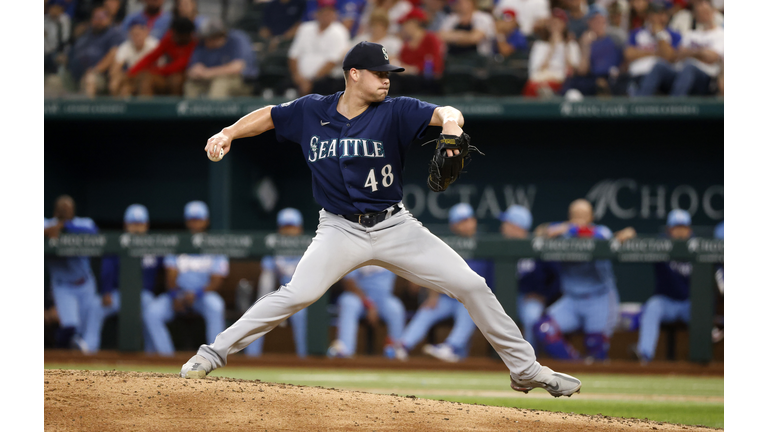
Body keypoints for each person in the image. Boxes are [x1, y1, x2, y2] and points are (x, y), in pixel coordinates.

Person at [180, 41, 582, 399]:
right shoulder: (312, 110)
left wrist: (454, 124)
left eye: (390, 74)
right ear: (354, 75)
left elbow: (445, 112)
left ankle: (526, 370)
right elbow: (269, 114)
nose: (387, 80)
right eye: (380, 73)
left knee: (472, 285)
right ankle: (211, 354)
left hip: (395, 226)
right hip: (339, 227)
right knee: (297, 294)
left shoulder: (396, 111)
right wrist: (229, 132)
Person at [397, 203, 492, 362]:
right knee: (428, 308)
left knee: (469, 308)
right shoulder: (446, 244)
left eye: (468, 219)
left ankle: (451, 347)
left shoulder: (487, 244)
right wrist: (433, 293)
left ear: (474, 221)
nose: (466, 224)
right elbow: (436, 271)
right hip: (448, 297)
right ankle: (402, 346)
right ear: (453, 225)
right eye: (461, 221)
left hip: (469, 299)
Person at [533, 199, 626, 362]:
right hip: (571, 302)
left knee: (596, 350)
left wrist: (571, 229)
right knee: (544, 328)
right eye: (575, 215)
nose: (579, 218)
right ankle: (576, 364)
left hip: (599, 299)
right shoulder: (564, 233)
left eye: (584, 215)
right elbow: (538, 233)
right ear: (569, 216)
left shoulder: (601, 232)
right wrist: (552, 230)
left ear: (592, 217)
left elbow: (602, 236)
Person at [145, 201, 228, 356]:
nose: (195, 224)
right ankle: (167, 358)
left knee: (216, 306)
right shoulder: (178, 243)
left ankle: (213, 357)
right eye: (192, 219)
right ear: (187, 221)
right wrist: (177, 295)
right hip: (178, 295)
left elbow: (217, 280)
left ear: (206, 221)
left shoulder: (215, 245)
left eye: (199, 219)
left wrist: (196, 294)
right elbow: (170, 276)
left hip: (202, 296)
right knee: (152, 312)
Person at [82, 204, 162, 353]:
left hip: (144, 296)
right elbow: (107, 270)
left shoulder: (154, 245)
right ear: (126, 225)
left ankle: (156, 354)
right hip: (119, 294)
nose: (137, 228)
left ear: (146, 225)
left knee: (152, 310)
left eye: (140, 224)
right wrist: (106, 291)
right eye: (133, 224)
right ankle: (88, 348)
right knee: (95, 305)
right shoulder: (118, 242)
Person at [243, 208, 309, 358]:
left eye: (292, 227)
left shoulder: (309, 247)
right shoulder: (273, 248)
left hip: (303, 298)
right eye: (285, 227)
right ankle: (251, 360)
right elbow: (266, 280)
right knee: (259, 310)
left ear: (299, 228)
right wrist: (264, 302)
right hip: (280, 296)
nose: (288, 231)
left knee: (302, 314)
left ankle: (305, 359)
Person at [633, 209, 694, 363]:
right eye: (676, 228)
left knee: (703, 311)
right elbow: (642, 245)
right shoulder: (660, 245)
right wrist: (632, 237)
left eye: (683, 228)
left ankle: (702, 359)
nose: (680, 232)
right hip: (666, 302)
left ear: (689, 230)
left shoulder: (698, 246)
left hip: (690, 303)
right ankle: (645, 354)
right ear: (668, 230)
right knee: (652, 307)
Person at [499, 205, 560, 354]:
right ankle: (500, 359)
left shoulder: (536, 246)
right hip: (505, 298)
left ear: (516, 227)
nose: (502, 227)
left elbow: (556, 277)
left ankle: (529, 362)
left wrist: (544, 295)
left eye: (506, 223)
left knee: (532, 317)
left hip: (529, 299)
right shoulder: (500, 245)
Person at [44, 195, 99, 353]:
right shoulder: (47, 224)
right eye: (62, 208)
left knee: (84, 329)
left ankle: (81, 362)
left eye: (68, 208)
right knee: (70, 326)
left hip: (85, 283)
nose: (65, 211)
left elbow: (94, 232)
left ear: (73, 211)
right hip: (63, 286)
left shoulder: (83, 223)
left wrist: (64, 227)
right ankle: (59, 360)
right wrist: (49, 230)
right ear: (55, 210)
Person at [635, 0, 723, 96]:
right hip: (680, 73)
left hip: (705, 78)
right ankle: (638, 105)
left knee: (689, 66)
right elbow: (676, 56)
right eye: (699, 12)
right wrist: (700, 53)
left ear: (713, 12)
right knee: (659, 66)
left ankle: (674, 107)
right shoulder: (691, 34)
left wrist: (689, 53)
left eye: (705, 12)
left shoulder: (721, 34)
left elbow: (712, 58)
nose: (702, 15)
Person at [327, 266, 407, 360]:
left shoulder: (389, 253)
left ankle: (396, 350)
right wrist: (369, 304)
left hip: (383, 299)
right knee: (348, 302)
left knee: (396, 308)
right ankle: (345, 350)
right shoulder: (357, 252)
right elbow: (348, 282)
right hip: (358, 297)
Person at [288, 0, 350, 96]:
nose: (326, 15)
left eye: (329, 12)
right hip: (300, 80)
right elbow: (293, 55)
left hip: (326, 80)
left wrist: (310, 82)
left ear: (335, 14)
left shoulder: (340, 31)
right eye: (323, 12)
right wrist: (297, 77)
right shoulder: (305, 28)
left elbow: (332, 62)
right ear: (317, 13)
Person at [184, 18, 256, 98]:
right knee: (190, 85)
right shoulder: (202, 45)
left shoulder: (236, 39)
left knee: (219, 84)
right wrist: (194, 71)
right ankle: (191, 110)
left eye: (208, 38)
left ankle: (214, 111)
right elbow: (191, 68)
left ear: (218, 37)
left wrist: (208, 73)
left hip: (240, 81)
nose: (205, 41)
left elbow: (237, 67)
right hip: (208, 79)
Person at [561, 4, 624, 97]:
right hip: (590, 79)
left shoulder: (614, 40)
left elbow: (621, 64)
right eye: (594, 20)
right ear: (588, 23)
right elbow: (582, 70)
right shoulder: (585, 41)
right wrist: (586, 46)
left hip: (610, 78)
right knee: (573, 83)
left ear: (605, 21)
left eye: (600, 20)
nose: (597, 23)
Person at [127, 16, 197, 96]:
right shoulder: (170, 37)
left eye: (176, 34)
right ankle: (145, 107)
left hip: (186, 76)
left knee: (175, 81)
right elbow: (152, 57)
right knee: (146, 78)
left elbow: (180, 65)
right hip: (166, 74)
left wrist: (155, 70)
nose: (173, 36)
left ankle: (173, 107)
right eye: (172, 32)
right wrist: (131, 72)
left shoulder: (194, 43)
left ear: (186, 35)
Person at [624, 2, 681, 96]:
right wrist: (656, 53)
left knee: (658, 67)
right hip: (638, 75)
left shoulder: (673, 34)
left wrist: (659, 33)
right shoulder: (637, 33)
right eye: (655, 14)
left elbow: (668, 56)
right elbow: (629, 54)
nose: (658, 18)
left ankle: (639, 106)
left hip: (664, 79)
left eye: (662, 14)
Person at [67, 6, 125, 97]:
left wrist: (95, 70)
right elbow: (74, 51)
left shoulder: (114, 34)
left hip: (101, 76)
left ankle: (87, 110)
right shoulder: (86, 34)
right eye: (95, 17)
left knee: (90, 80)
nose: (97, 21)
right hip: (76, 75)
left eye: (101, 18)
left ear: (109, 19)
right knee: (52, 82)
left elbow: (114, 53)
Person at [522, 15, 580, 97]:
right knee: (532, 87)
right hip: (542, 79)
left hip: (561, 81)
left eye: (558, 23)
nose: (555, 27)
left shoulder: (571, 45)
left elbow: (571, 70)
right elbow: (534, 71)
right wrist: (552, 48)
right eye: (552, 23)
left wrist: (564, 46)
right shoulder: (539, 45)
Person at [109, 15, 160, 96]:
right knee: (120, 85)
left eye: (139, 34)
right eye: (134, 34)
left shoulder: (154, 45)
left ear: (146, 32)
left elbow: (160, 67)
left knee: (145, 80)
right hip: (132, 78)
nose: (136, 38)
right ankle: (115, 107)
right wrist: (117, 78)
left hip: (151, 77)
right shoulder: (126, 46)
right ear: (129, 34)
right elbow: (115, 68)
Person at [397, 8, 444, 94]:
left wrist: (413, 69)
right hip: (408, 81)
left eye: (406, 24)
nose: (404, 27)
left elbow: (436, 65)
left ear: (415, 23)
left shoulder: (430, 39)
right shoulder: (406, 45)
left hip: (427, 81)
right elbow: (402, 63)